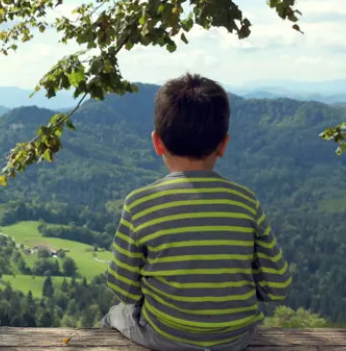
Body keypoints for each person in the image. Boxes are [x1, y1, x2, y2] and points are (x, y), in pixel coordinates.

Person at [104, 73, 291, 351]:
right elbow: (278, 285)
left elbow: (123, 288)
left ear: (157, 143)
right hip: (235, 339)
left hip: (165, 336)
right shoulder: (246, 201)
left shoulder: (140, 203)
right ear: (223, 145)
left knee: (114, 314)